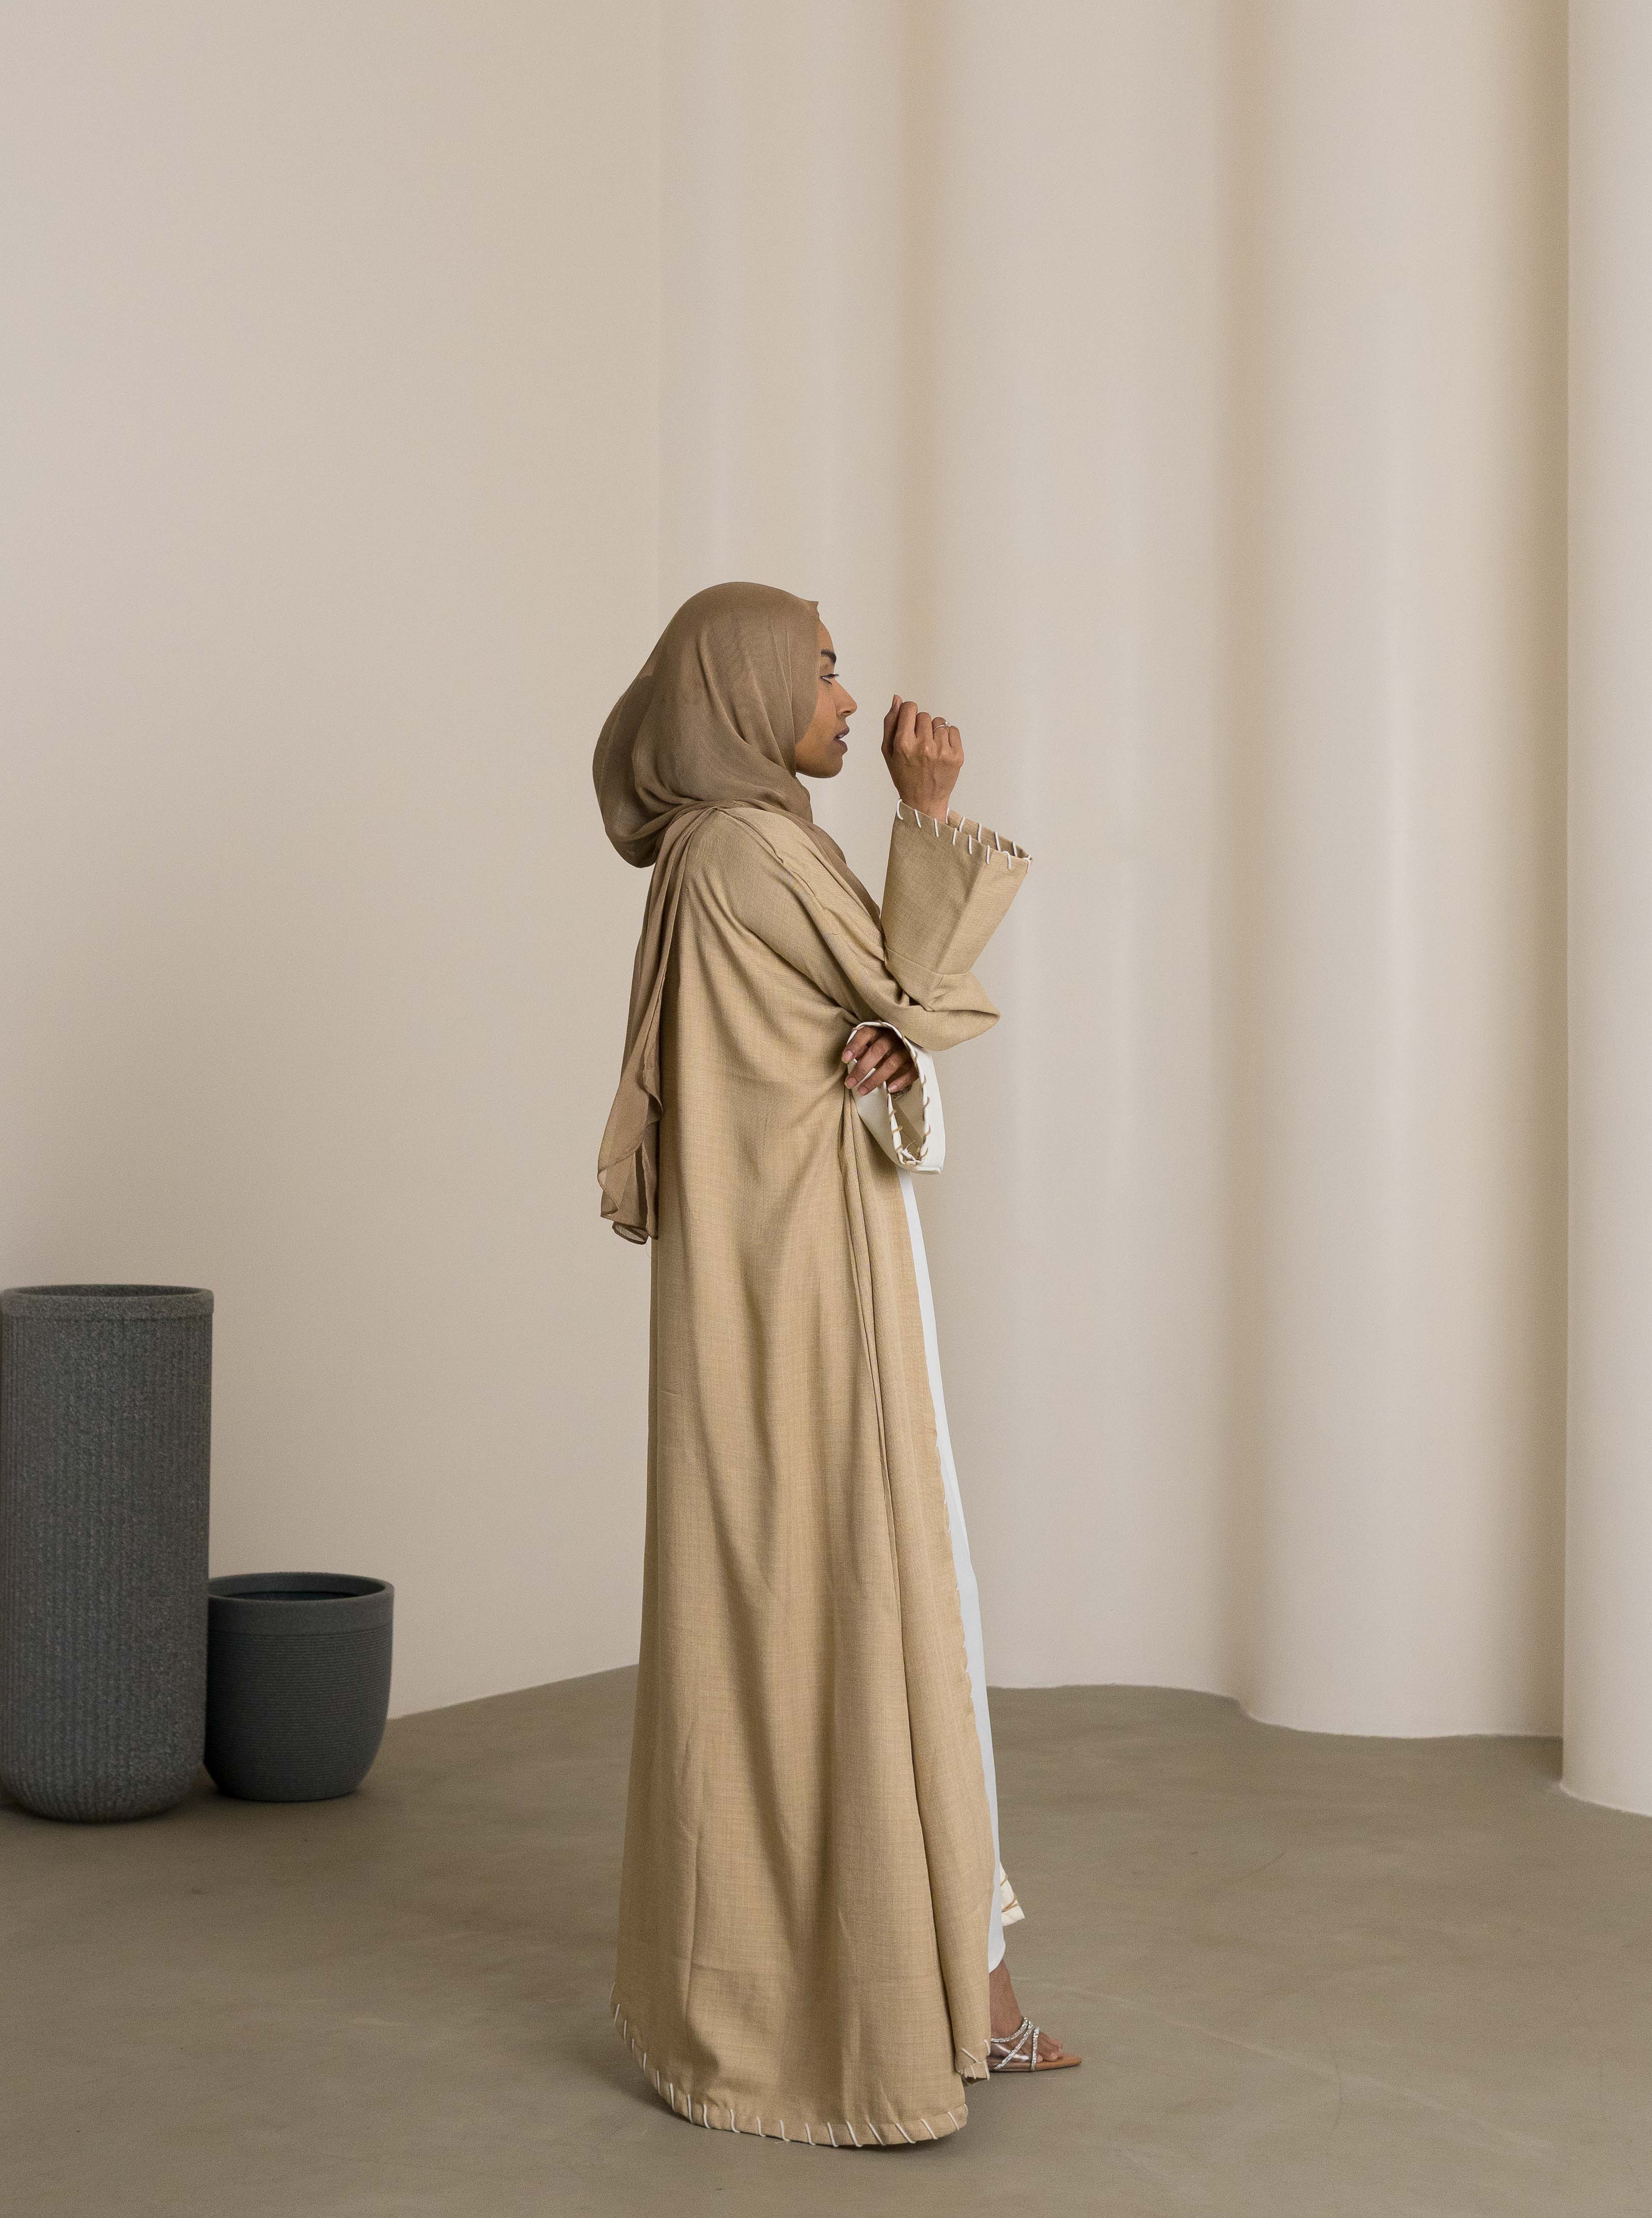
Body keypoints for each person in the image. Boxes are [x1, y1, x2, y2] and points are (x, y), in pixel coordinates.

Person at [594, 580, 1076, 2149]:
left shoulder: (734, 851)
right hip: (806, 1301)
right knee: (865, 1617)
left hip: (801, 1281)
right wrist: (926, 821)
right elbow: (915, 990)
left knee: (869, 1619)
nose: (851, 697)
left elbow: (882, 1029)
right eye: (819, 667)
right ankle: (874, 2022)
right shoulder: (747, 849)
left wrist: (887, 1047)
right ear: (745, 690)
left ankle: (966, 1994)